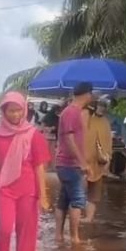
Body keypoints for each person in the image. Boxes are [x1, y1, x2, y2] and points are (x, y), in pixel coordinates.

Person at [0, 91, 51, 251]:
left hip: (28, 189)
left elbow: (39, 167)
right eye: (10, 111)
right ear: (3, 112)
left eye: (18, 110)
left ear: (24, 110)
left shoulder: (34, 135)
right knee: (5, 229)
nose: (15, 115)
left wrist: (44, 195)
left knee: (26, 231)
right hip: (4, 188)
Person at [55, 82, 94, 242]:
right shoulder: (72, 112)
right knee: (77, 201)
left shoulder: (70, 111)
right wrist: (82, 162)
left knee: (63, 200)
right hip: (70, 164)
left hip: (64, 163)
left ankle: (59, 236)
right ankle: (74, 238)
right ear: (87, 94)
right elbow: (70, 138)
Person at [83, 95, 113, 222]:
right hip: (84, 162)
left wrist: (108, 160)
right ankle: (77, 215)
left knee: (94, 194)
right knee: (79, 191)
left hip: (99, 163)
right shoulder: (87, 119)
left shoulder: (106, 123)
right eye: (100, 105)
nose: (101, 108)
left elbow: (108, 143)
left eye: (104, 106)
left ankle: (89, 218)